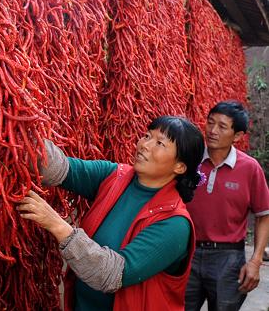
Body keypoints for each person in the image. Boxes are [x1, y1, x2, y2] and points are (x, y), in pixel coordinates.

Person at [17, 116, 205, 311]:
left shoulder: (174, 224)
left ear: (180, 167)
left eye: (159, 143)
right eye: (147, 135)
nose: (144, 145)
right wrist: (21, 129)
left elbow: (113, 274)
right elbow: (62, 169)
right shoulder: (115, 177)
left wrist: (58, 225)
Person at [185, 100, 269, 311]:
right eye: (210, 122)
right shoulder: (190, 160)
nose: (212, 131)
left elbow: (264, 215)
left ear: (238, 136)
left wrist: (255, 261)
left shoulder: (250, 169)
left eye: (222, 126)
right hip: (187, 252)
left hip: (228, 259)